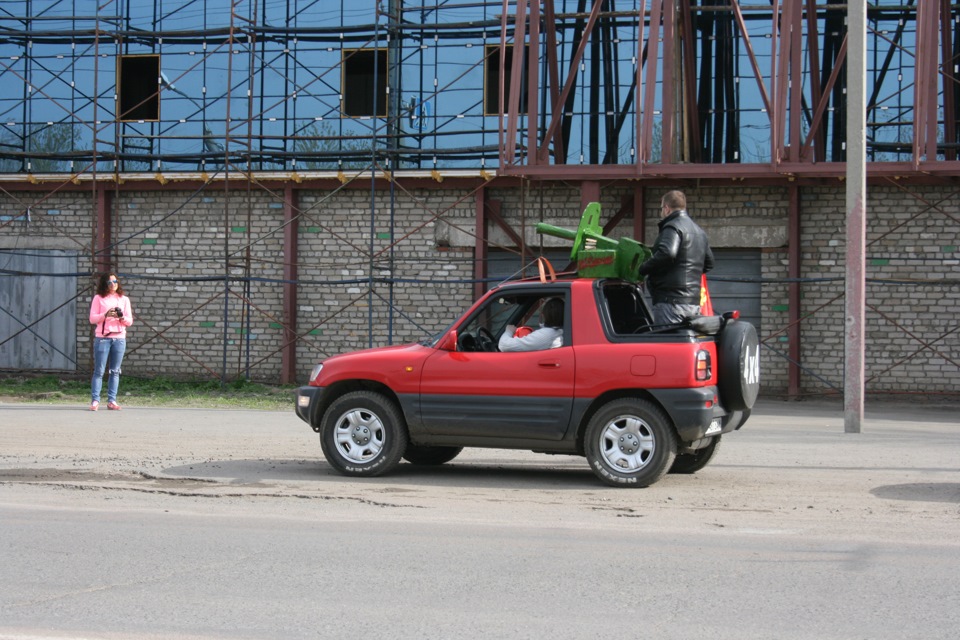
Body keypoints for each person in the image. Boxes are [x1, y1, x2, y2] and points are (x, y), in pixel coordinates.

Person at [638, 190, 715, 326]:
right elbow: (709, 263)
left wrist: (643, 269)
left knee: (667, 338)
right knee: (685, 338)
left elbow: (667, 253)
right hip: (693, 304)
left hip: (670, 302)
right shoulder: (699, 232)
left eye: (661, 208)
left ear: (667, 208)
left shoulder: (672, 227)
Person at [88, 273, 134, 411]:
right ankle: (95, 400)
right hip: (103, 338)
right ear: (104, 284)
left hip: (119, 338)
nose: (113, 284)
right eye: (109, 282)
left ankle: (112, 400)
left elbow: (129, 321)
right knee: (99, 370)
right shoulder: (98, 298)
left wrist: (121, 317)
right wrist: (105, 315)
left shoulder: (124, 299)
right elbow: (92, 318)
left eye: (115, 281)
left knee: (115, 371)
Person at [498, 297, 564, 352]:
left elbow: (504, 345)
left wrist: (509, 331)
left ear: (544, 315)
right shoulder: (561, 331)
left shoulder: (547, 335)